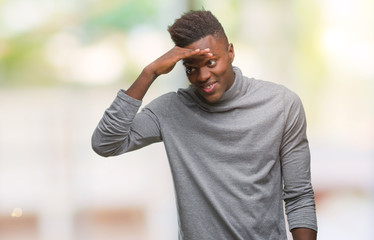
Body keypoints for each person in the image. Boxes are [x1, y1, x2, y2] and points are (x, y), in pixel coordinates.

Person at [92, 10, 318, 240]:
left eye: (211, 62)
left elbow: (299, 196)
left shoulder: (281, 104)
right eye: (191, 68)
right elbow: (105, 143)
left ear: (230, 52)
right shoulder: (171, 110)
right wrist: (149, 73)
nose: (202, 76)